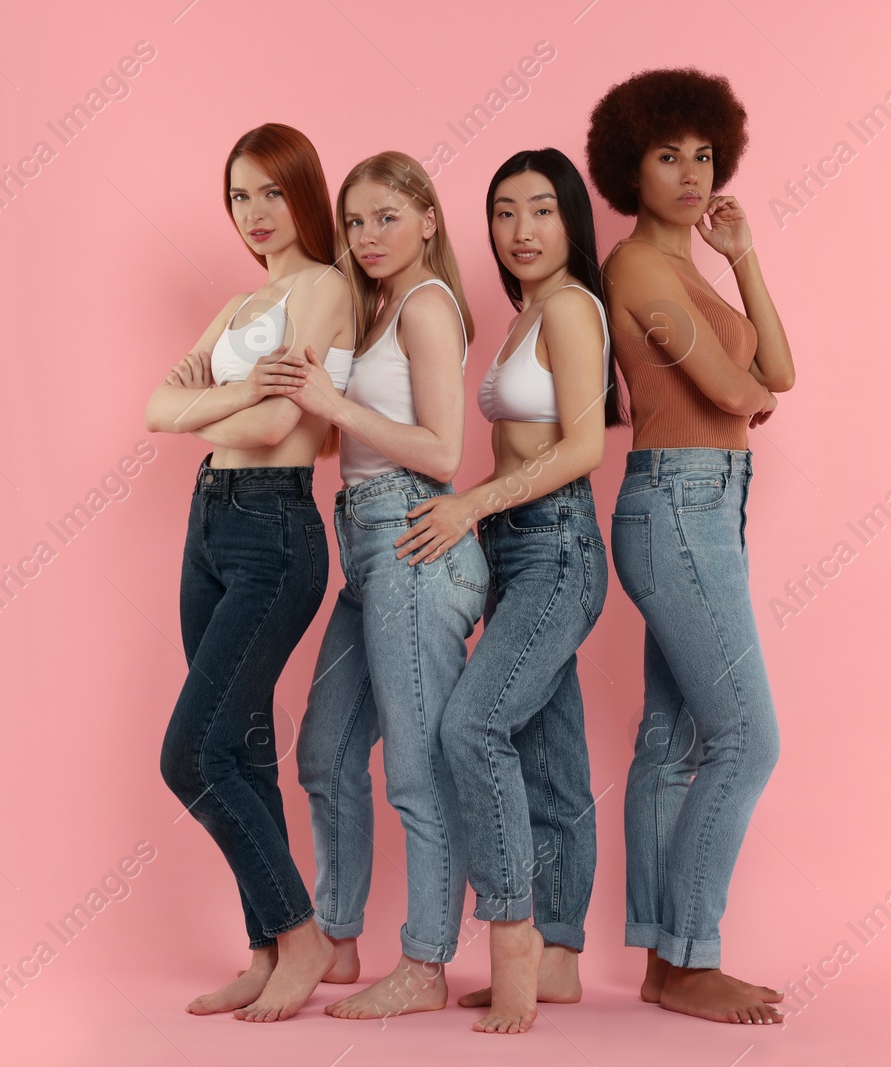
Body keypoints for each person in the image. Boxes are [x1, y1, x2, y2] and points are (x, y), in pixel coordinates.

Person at [586, 67, 797, 1025]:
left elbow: (781, 370)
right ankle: (695, 950)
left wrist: (744, 257)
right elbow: (734, 392)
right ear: (630, 169)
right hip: (676, 501)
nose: (689, 173)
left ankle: (666, 968)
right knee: (748, 739)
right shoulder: (634, 266)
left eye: (703, 155)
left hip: (710, 503)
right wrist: (752, 387)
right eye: (667, 156)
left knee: (673, 742)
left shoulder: (696, 267)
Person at [394, 148, 616, 1034]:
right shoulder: (527, 311)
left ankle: (514, 935)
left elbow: (585, 446)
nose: (521, 231)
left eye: (541, 211)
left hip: (558, 546)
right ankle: (560, 955)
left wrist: (471, 505)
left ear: (571, 221)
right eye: (502, 213)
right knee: (550, 759)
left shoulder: (568, 306)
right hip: (518, 549)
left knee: (473, 726)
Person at [265, 151, 490, 1020]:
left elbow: (442, 452)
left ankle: (425, 963)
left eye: (386, 216)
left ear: (429, 219)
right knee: (323, 752)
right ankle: (338, 931)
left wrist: (333, 400)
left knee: (416, 766)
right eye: (354, 221)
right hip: (364, 538)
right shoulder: (380, 306)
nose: (366, 236)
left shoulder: (429, 307)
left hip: (411, 533)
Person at [145, 122, 355, 1024]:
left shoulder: (327, 289)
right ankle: (267, 949)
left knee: (189, 754)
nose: (255, 213)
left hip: (274, 525)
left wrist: (208, 401)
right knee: (239, 750)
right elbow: (155, 406)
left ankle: (300, 934)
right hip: (209, 523)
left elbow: (279, 430)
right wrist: (235, 393)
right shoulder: (239, 309)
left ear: (304, 191)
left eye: (271, 191)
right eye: (239, 196)